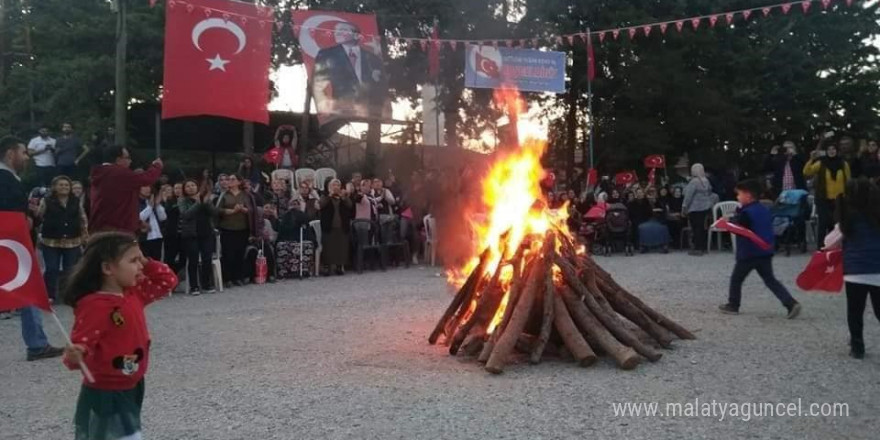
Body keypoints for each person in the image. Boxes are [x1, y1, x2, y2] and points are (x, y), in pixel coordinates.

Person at [61, 232, 177, 440]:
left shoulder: (134, 293)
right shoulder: (94, 305)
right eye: (133, 261)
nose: (140, 266)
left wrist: (146, 261)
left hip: (133, 382)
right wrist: (75, 355)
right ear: (107, 268)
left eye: (140, 260)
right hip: (106, 390)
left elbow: (168, 281)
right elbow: (81, 345)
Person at [0, 136, 65, 359]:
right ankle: (36, 343)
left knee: (27, 288)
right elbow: (9, 215)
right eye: (23, 152)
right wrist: (26, 217)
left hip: (12, 246)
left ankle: (37, 342)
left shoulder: (11, 179)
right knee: (27, 286)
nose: (27, 157)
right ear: (10, 154)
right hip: (11, 247)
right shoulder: (5, 180)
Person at [719, 179, 801, 318]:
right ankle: (790, 303)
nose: (737, 197)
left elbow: (740, 228)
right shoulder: (763, 209)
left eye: (739, 194)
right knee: (770, 280)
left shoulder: (746, 213)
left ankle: (733, 304)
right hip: (764, 251)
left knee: (736, 279)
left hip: (749, 253)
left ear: (748, 196)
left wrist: (727, 223)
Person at [823, 178, 880, 359]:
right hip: (878, 270)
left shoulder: (848, 219)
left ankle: (857, 347)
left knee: (855, 311)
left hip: (855, 273)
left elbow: (829, 242)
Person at [312, 22, 386, 118]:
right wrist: (324, 106)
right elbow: (318, 84)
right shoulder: (327, 54)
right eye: (335, 30)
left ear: (356, 35)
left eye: (342, 30)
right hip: (340, 109)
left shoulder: (372, 58)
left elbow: (380, 86)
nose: (336, 33)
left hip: (368, 111)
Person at [90, 145, 163, 234]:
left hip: (102, 228)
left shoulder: (102, 174)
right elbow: (146, 178)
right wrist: (157, 166)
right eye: (128, 158)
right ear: (118, 159)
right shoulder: (118, 173)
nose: (130, 161)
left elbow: (117, 204)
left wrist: (137, 222)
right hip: (118, 231)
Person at [37, 175, 88, 302]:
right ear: (54, 187)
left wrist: (85, 235)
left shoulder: (75, 201)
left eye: (66, 185)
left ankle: (67, 294)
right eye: (61, 185)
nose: (64, 187)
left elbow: (82, 218)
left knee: (70, 269)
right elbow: (39, 216)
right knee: (52, 268)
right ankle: (50, 295)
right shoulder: (47, 200)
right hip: (51, 240)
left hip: (72, 240)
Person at [215, 174, 258, 287]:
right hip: (227, 228)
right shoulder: (224, 195)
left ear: (239, 182)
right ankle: (228, 278)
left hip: (242, 228)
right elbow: (217, 210)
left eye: (233, 179)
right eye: (229, 179)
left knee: (240, 253)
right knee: (228, 254)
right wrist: (230, 211)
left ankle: (238, 277)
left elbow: (253, 210)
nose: (230, 181)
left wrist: (245, 210)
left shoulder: (246, 195)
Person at [804, 142, 851, 240]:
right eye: (829, 149)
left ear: (837, 151)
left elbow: (848, 180)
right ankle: (821, 247)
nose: (831, 151)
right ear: (826, 151)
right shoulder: (821, 163)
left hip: (839, 199)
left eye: (833, 149)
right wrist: (811, 159)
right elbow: (806, 171)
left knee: (837, 224)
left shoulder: (843, 164)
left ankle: (836, 246)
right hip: (823, 198)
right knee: (823, 223)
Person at [178, 179, 217, 295]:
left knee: (207, 259)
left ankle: (206, 284)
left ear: (197, 187)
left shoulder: (205, 199)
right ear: (184, 189)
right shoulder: (182, 200)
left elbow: (214, 213)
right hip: (191, 235)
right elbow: (186, 215)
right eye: (188, 186)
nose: (191, 188)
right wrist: (197, 203)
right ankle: (194, 286)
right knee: (193, 260)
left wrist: (207, 203)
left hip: (206, 233)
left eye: (193, 185)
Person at [319, 179, 353, 275]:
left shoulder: (343, 197)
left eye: (337, 185)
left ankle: (339, 266)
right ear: (330, 187)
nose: (336, 187)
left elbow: (350, 205)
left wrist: (344, 197)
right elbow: (321, 205)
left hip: (342, 225)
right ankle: (327, 267)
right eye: (334, 185)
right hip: (329, 226)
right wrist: (330, 195)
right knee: (328, 247)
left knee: (341, 247)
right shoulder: (325, 196)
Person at [682, 163, 715, 256]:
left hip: (695, 208)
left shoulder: (694, 182)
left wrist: (684, 207)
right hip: (706, 207)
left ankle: (697, 248)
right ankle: (704, 247)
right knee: (703, 228)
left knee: (696, 228)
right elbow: (710, 191)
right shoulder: (706, 181)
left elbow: (688, 195)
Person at [137, 185, 167, 261]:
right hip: (144, 238)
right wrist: (150, 207)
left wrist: (157, 205)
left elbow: (163, 217)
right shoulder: (135, 202)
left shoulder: (152, 200)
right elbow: (139, 218)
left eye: (149, 187)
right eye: (144, 186)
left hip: (157, 237)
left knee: (157, 262)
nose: (148, 189)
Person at [161, 183, 182, 274]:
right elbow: (168, 212)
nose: (178, 190)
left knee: (184, 258)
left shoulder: (189, 200)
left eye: (180, 188)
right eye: (176, 188)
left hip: (185, 234)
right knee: (169, 258)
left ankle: (174, 274)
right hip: (171, 233)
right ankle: (170, 278)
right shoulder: (169, 201)